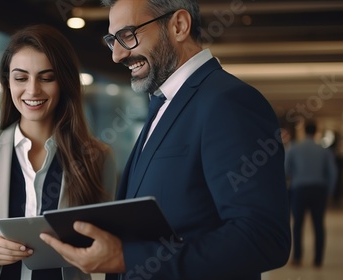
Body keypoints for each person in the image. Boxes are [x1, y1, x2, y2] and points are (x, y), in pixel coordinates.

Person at [40, 0, 291, 279]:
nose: (117, 55)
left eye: (127, 35)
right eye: (113, 40)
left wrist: (127, 258)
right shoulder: (164, 103)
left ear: (179, 26)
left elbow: (263, 239)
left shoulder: (227, 102)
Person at [0, 24, 117, 280]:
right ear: (7, 82)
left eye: (46, 77)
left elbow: (106, 247)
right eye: (21, 78)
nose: (33, 90)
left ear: (64, 82)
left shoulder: (97, 156)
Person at [285, 121, 338, 267]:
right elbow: (333, 172)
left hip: (299, 189)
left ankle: (297, 258)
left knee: (297, 225)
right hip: (318, 190)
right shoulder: (324, 151)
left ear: (303, 131)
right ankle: (318, 259)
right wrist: (330, 192)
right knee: (318, 225)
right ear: (316, 132)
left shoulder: (294, 148)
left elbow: (285, 169)